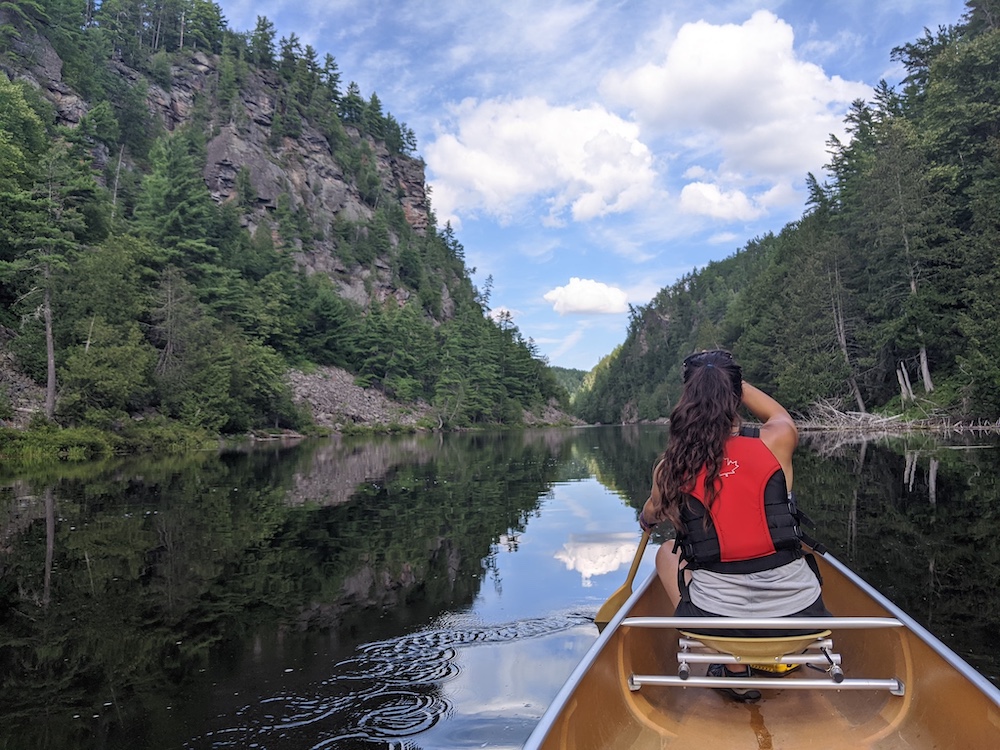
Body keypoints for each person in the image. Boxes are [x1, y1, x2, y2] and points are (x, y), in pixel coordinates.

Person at [639, 349, 830, 702]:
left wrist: (646, 517)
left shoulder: (670, 468)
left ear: (688, 398)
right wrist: (725, 380)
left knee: (667, 551)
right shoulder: (777, 440)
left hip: (719, 626)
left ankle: (734, 669)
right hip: (802, 618)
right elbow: (778, 413)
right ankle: (779, 653)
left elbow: (653, 512)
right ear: (735, 394)